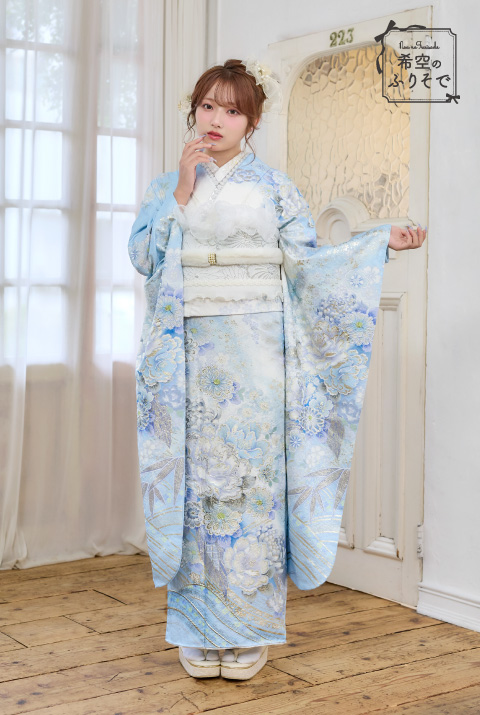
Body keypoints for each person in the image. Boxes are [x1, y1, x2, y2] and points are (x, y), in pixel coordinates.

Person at [128, 58, 427, 681]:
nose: (217, 119)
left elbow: (310, 265)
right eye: (208, 106)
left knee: (252, 484)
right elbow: (144, 258)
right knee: (197, 489)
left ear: (252, 122)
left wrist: (378, 244)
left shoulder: (275, 188)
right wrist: (181, 191)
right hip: (190, 356)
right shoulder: (167, 186)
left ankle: (248, 629)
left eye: (232, 110)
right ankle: (198, 628)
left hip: (259, 357)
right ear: (193, 110)